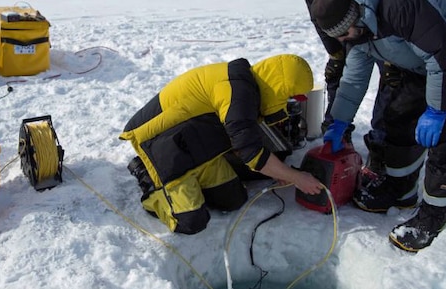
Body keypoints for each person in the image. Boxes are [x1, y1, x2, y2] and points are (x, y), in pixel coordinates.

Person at [309, 0, 446, 251]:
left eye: (343, 34)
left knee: (444, 136)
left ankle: (434, 216)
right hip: (421, 61)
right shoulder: (358, 32)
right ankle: (400, 189)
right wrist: (338, 121)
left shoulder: (400, 3)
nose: (343, 41)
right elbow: (354, 79)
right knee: (397, 118)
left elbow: (444, 56)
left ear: (355, 14)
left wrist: (437, 110)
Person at [119, 54, 323, 234]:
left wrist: (278, 171)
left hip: (195, 147)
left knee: (232, 199)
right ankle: (146, 173)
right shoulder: (236, 92)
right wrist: (296, 177)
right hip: (159, 145)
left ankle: (192, 181)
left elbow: (242, 140)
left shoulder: (248, 89)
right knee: (191, 221)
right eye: (290, 97)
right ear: (279, 88)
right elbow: (250, 152)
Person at [300, 0, 402, 140]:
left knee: (393, 79)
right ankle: (336, 128)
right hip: (346, 22)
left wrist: (393, 58)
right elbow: (321, 21)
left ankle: (383, 137)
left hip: (381, 25)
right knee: (341, 71)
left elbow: (396, 15)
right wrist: (335, 54)